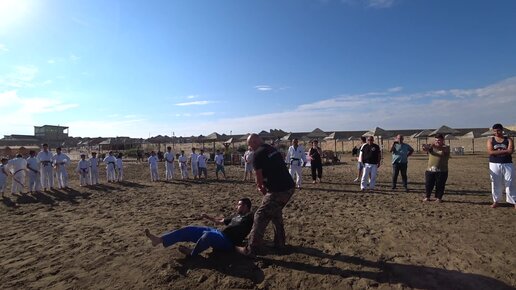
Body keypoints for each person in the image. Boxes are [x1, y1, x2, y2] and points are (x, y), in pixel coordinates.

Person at [236, 134, 295, 257]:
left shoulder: (258, 154)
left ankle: (252, 249)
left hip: (278, 190)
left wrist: (261, 188)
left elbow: (259, 178)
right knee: (275, 213)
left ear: (254, 142)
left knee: (260, 215)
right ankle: (280, 243)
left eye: (249, 144)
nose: (249, 147)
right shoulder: (271, 149)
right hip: (289, 186)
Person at [144, 198, 253, 257]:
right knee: (189, 229)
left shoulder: (249, 217)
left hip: (228, 241)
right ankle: (159, 240)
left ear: (245, 206)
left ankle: (192, 252)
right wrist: (207, 217)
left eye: (238, 205)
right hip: (219, 233)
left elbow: (257, 226)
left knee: (208, 235)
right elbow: (220, 221)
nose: (236, 206)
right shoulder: (236, 215)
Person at [486, 123, 515, 209]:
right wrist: (504, 151)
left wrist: (497, 152)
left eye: (498, 130)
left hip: (507, 163)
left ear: (502, 130)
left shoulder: (508, 140)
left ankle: (513, 201)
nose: (497, 132)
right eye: (495, 131)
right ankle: (496, 201)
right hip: (494, 163)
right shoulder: (490, 140)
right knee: (495, 182)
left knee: (510, 182)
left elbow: (510, 151)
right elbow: (490, 152)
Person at [422, 134, 450, 202]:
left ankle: (438, 198)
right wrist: (425, 147)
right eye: (436, 140)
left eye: (439, 140)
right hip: (430, 169)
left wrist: (433, 145)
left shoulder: (446, 147)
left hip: (442, 170)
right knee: (428, 184)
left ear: (443, 140)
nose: (437, 141)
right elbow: (425, 149)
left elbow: (442, 149)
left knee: (440, 185)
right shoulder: (432, 147)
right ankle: (427, 197)